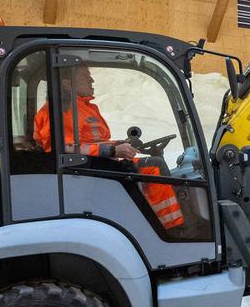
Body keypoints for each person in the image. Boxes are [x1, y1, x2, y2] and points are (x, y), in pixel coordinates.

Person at [33, 65, 185, 231]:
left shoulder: (82, 107)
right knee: (154, 166)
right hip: (84, 172)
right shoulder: (61, 110)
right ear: (67, 84)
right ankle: (171, 229)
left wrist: (118, 144)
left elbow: (92, 141)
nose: (92, 80)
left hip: (97, 163)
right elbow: (64, 147)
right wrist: (112, 151)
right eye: (85, 76)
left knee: (152, 161)